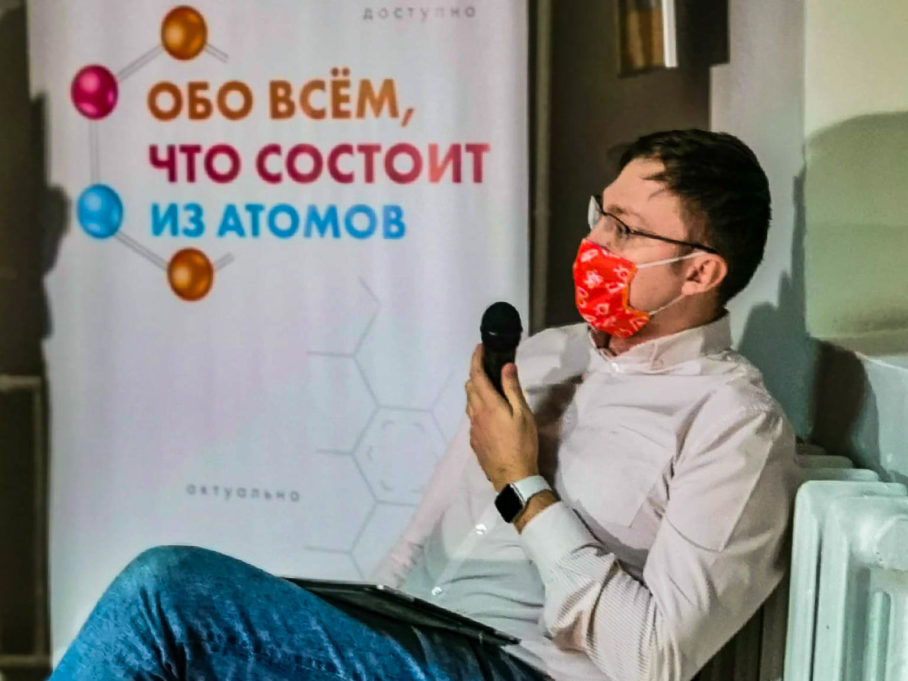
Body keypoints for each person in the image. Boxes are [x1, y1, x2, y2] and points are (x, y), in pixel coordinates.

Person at [50, 129, 800, 681]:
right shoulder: (547, 353)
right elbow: (422, 542)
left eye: (625, 231)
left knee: (166, 594)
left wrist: (522, 486)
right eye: (601, 215)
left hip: (522, 668)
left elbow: (658, 659)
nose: (596, 241)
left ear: (699, 272)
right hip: (405, 636)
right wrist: (348, 629)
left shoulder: (734, 424)